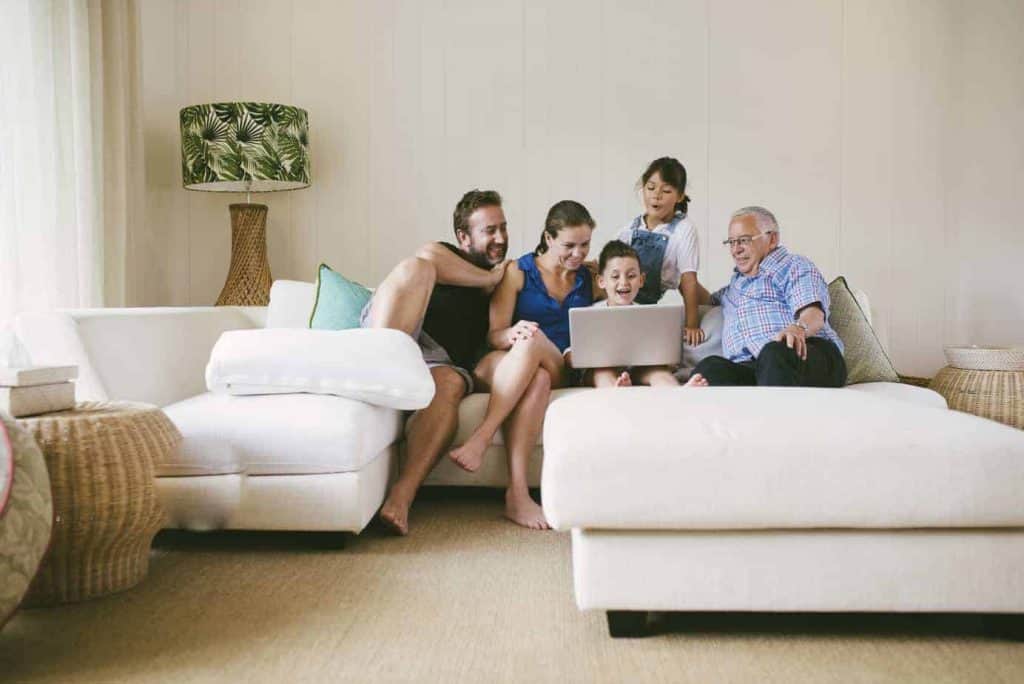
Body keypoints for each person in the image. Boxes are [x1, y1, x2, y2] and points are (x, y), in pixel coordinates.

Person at [361, 189, 511, 535]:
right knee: (417, 267)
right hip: (397, 332)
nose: (501, 238)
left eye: (503, 228)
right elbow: (427, 255)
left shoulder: (509, 274)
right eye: (489, 230)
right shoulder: (446, 255)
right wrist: (488, 279)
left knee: (450, 384)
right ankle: (375, 367)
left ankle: (402, 496)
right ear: (463, 237)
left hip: (437, 361)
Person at [448, 200, 602, 530]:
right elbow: (494, 334)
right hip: (512, 359)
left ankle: (481, 436)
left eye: (585, 245)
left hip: (560, 363)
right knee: (537, 376)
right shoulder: (518, 271)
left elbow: (625, 296)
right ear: (548, 238)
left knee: (534, 343)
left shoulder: (590, 277)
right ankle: (517, 495)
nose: (578, 254)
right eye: (569, 245)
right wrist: (512, 333)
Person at [693, 206, 847, 387]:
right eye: (731, 242)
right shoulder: (734, 287)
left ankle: (772, 405)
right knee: (709, 368)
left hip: (805, 353)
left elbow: (814, 313)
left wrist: (798, 328)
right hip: (756, 367)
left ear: (772, 239)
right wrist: (681, 276)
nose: (736, 250)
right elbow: (705, 300)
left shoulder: (793, 266)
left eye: (744, 240)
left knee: (774, 352)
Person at [579, 240, 708, 389]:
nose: (624, 282)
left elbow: (660, 350)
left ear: (641, 280)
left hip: (637, 368)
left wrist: (665, 359)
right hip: (600, 369)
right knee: (603, 373)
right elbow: (575, 350)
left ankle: (676, 392)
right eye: (615, 276)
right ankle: (616, 391)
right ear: (601, 281)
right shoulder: (591, 314)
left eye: (631, 276)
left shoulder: (649, 315)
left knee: (659, 372)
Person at [616, 157, 706, 347]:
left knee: (714, 307)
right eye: (651, 188)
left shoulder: (683, 229)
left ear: (680, 196)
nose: (656, 195)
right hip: (628, 300)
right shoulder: (629, 230)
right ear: (642, 188)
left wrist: (692, 325)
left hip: (662, 294)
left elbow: (688, 281)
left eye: (666, 191)